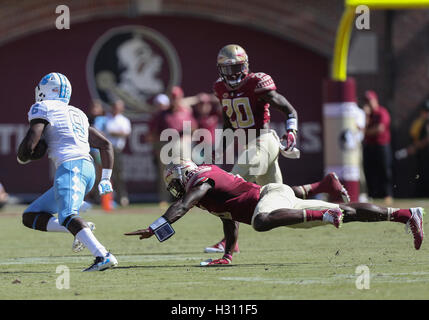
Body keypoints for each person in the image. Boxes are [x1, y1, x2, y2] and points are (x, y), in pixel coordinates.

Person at [125, 160, 424, 265]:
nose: (176, 188)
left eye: (175, 182)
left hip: (270, 199)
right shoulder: (206, 190)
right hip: (277, 200)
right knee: (345, 210)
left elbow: (182, 204)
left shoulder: (201, 180)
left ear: (183, 175)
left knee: (261, 222)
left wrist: (155, 226)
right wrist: (228, 254)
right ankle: (405, 214)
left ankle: (324, 215)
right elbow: (228, 218)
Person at [205, 44, 347, 253]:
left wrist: (292, 132)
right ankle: (333, 202)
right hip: (251, 146)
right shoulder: (220, 88)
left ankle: (229, 243)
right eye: (228, 69)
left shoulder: (256, 83)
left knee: (229, 189)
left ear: (246, 66)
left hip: (263, 142)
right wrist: (219, 148)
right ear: (220, 71)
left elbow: (290, 110)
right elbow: (229, 123)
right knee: (280, 206)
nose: (233, 74)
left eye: (237, 68)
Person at [17, 72, 118, 272]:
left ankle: (103, 255)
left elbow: (30, 143)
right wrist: (105, 177)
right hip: (86, 169)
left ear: (46, 90)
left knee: (68, 215)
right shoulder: (76, 112)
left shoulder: (43, 107)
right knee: (31, 216)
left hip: (71, 166)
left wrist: (23, 156)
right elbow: (105, 144)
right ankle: (82, 228)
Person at [148, 89, 198, 208]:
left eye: (177, 97)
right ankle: (163, 199)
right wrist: (156, 147)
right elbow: (154, 132)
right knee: (165, 172)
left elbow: (194, 128)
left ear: (181, 98)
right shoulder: (163, 113)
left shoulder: (186, 112)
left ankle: (188, 199)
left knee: (187, 170)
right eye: (173, 97)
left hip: (182, 144)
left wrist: (187, 135)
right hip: (166, 144)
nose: (175, 100)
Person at [362, 90, 393, 205]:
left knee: (384, 170)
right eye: (366, 101)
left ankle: (387, 195)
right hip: (369, 146)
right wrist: (366, 116)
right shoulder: (367, 115)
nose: (368, 103)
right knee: (369, 171)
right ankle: (371, 195)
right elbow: (361, 127)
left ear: (375, 100)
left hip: (381, 145)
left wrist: (366, 132)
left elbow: (380, 129)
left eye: (370, 100)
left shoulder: (382, 112)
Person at [105, 99, 132, 207]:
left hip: (117, 150)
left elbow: (126, 133)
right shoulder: (106, 118)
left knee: (119, 174)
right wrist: (116, 133)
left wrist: (113, 133)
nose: (116, 108)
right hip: (106, 149)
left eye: (118, 106)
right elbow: (104, 131)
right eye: (114, 106)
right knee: (105, 174)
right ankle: (106, 199)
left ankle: (122, 197)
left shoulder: (124, 120)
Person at [405, 101, 429, 197]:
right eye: (425, 111)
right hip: (421, 155)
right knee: (421, 175)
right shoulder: (419, 123)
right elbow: (413, 137)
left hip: (424, 152)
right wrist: (414, 146)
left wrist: (416, 146)